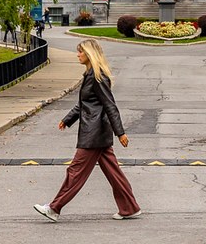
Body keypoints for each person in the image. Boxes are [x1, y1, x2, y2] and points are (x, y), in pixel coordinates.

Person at [34, 39, 141, 222]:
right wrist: (68, 119)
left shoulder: (98, 77)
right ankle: (129, 208)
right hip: (98, 132)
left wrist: (120, 133)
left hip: (94, 133)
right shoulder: (90, 75)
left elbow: (110, 106)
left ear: (89, 54)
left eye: (80, 52)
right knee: (114, 173)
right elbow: (85, 103)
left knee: (75, 171)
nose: (78, 55)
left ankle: (54, 208)